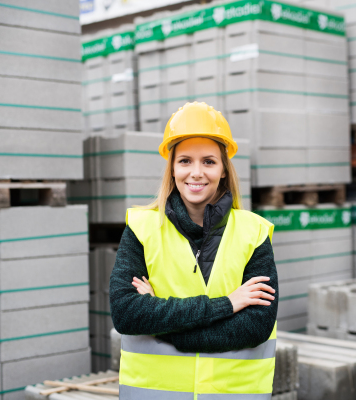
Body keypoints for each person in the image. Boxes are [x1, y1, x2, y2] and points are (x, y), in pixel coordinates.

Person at [109, 101, 279, 399]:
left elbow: (256, 326)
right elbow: (127, 314)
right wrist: (226, 305)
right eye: (185, 161)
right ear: (172, 169)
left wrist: (161, 321)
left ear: (224, 169)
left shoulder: (254, 232)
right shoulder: (142, 228)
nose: (196, 172)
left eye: (209, 161)